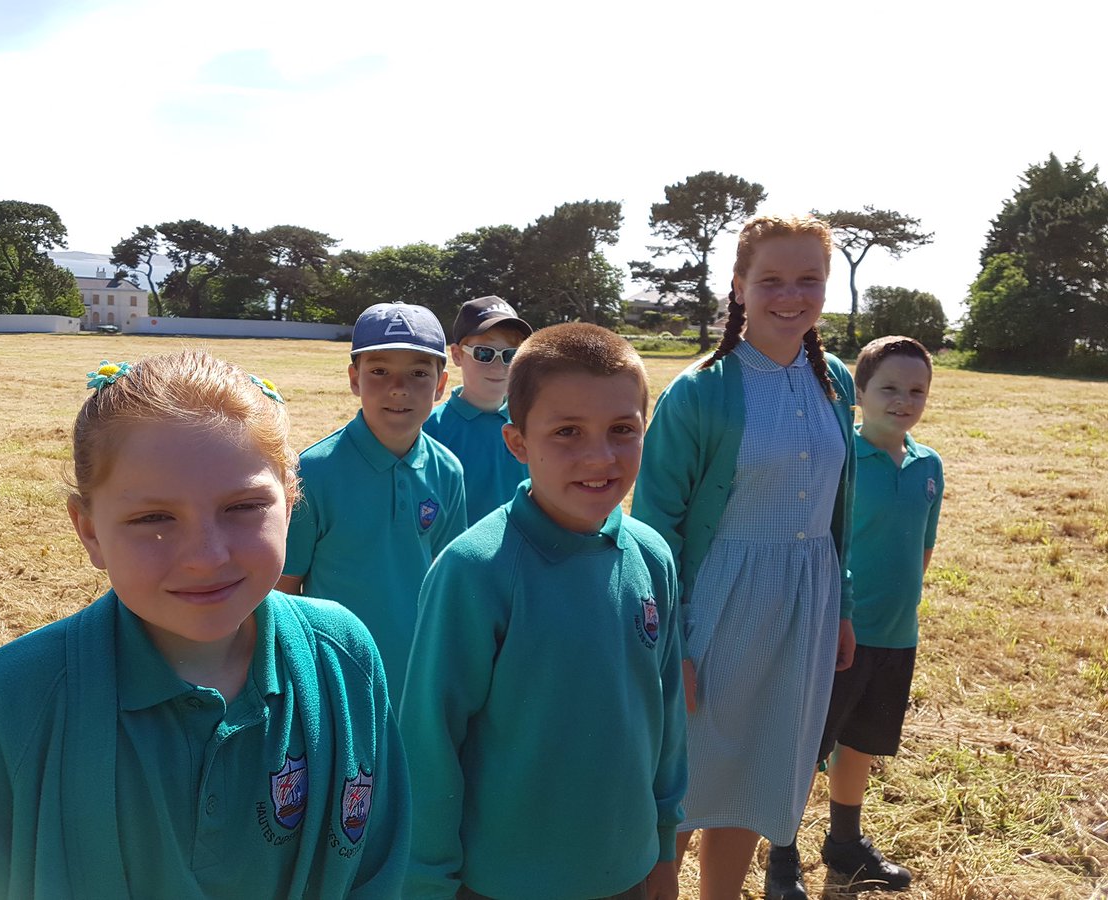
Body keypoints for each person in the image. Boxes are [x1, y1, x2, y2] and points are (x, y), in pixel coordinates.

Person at [0, 351, 409, 899]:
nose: (206, 556)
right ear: (90, 530)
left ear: (289, 505)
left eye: (243, 507)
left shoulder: (344, 659)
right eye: (153, 518)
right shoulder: (13, 702)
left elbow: (376, 864)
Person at [399, 323, 688, 900]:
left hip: (627, 866)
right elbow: (428, 743)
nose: (599, 456)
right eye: (567, 432)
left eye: (622, 430)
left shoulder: (652, 555)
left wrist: (663, 841)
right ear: (518, 443)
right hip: (506, 881)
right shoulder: (474, 571)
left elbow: (667, 711)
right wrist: (428, 880)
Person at [631, 213, 857, 900]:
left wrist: (842, 605)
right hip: (720, 606)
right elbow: (655, 527)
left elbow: (840, 507)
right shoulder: (700, 391)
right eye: (772, 281)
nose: (791, 296)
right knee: (688, 782)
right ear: (738, 286)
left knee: (761, 771)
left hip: (807, 605)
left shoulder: (837, 381)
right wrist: (674, 643)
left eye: (808, 280)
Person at [765, 335, 943, 898]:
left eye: (916, 390)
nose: (903, 400)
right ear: (858, 393)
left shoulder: (928, 465)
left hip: (895, 632)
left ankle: (844, 844)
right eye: (888, 388)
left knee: (860, 743)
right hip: (838, 632)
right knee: (808, 743)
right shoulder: (842, 459)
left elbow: (923, 548)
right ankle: (781, 854)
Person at [277, 302, 467, 705]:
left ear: (440, 385)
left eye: (418, 373)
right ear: (354, 379)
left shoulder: (448, 470)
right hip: (336, 675)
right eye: (379, 371)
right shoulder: (313, 471)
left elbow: (449, 580)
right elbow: (285, 588)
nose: (399, 387)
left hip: (418, 672)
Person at [422, 295, 533, 523]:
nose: (499, 367)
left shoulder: (533, 424)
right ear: (457, 355)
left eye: (511, 355)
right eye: (485, 353)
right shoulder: (430, 430)